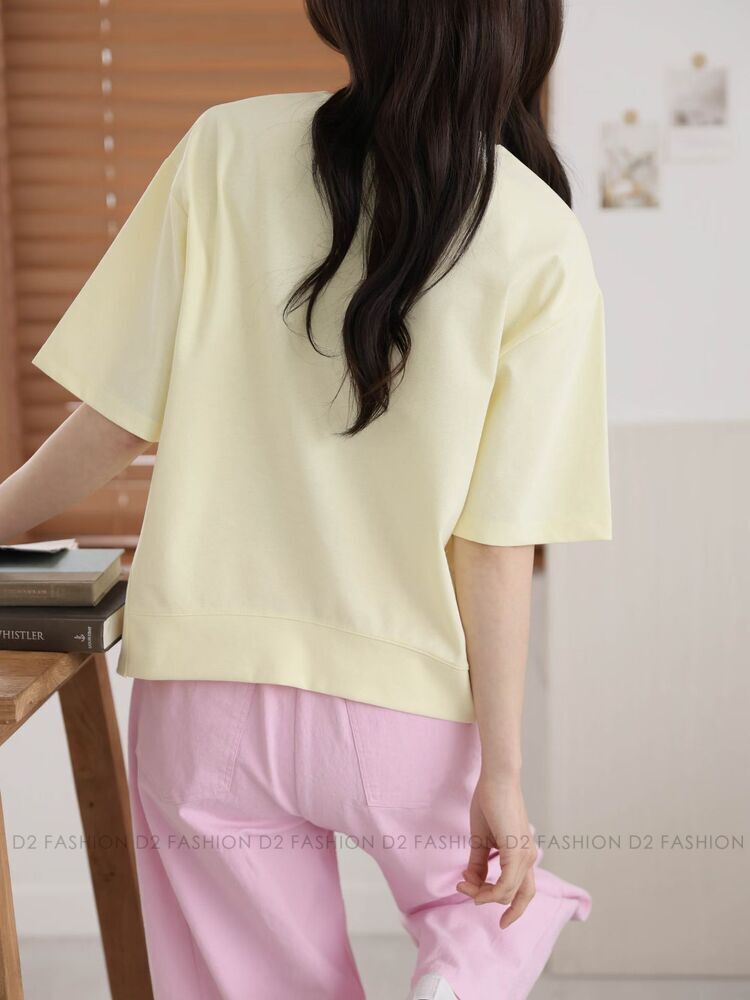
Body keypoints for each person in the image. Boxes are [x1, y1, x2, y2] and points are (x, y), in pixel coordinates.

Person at [0, 0, 612, 997]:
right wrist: (502, 774)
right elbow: (494, 541)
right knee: (494, 902)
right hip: (402, 692)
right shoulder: (538, 234)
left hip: (205, 685)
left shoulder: (224, 150)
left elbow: (115, 423)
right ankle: (457, 980)